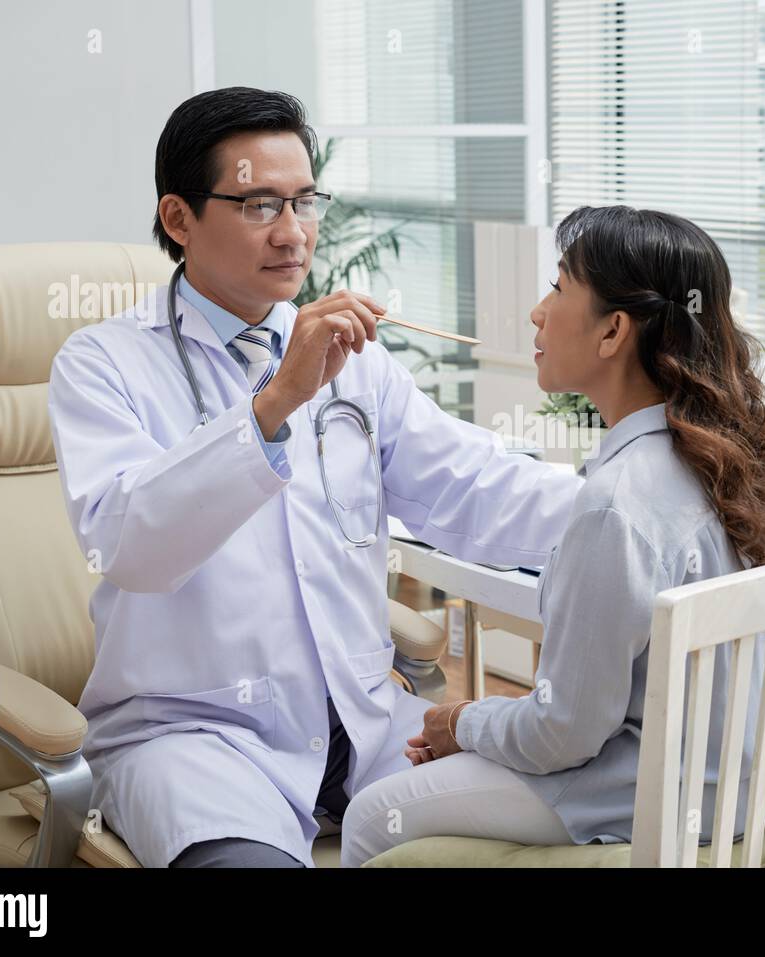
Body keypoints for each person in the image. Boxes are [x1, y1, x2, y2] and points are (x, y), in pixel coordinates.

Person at [47, 87, 582, 867]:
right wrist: (276, 402)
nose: (294, 233)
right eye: (260, 205)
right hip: (197, 738)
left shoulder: (356, 364)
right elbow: (130, 542)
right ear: (179, 219)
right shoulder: (103, 365)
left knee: (535, 835)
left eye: (305, 201)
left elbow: (472, 483)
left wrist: (636, 504)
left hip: (367, 723)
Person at [341, 205, 765, 866]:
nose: (538, 312)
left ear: (614, 330)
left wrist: (462, 722)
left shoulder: (614, 505)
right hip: (746, 789)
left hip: (654, 795)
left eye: (559, 288)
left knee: (370, 815)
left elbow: (563, 733)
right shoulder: (718, 465)